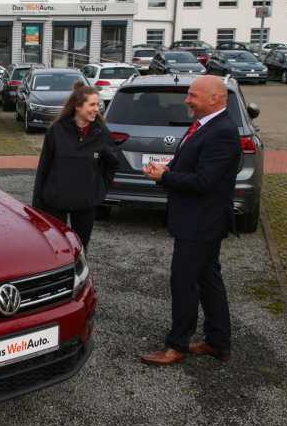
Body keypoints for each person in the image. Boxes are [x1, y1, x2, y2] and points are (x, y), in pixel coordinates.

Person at [140, 75, 241, 365]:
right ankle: (217, 341)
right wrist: (168, 168)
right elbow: (196, 165)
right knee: (208, 279)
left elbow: (204, 182)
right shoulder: (204, 125)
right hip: (200, 221)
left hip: (202, 223)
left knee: (184, 282)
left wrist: (166, 177)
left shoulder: (221, 130)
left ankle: (176, 346)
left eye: (193, 96)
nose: (187, 100)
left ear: (214, 99)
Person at [31, 81, 119, 252]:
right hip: (54, 203)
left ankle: (79, 278)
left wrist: (99, 190)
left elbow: (111, 164)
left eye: (97, 104)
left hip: (85, 205)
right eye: (92, 104)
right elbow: (44, 168)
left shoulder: (102, 133)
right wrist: (37, 204)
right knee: (57, 250)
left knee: (80, 250)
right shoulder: (56, 130)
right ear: (78, 106)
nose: (96, 109)